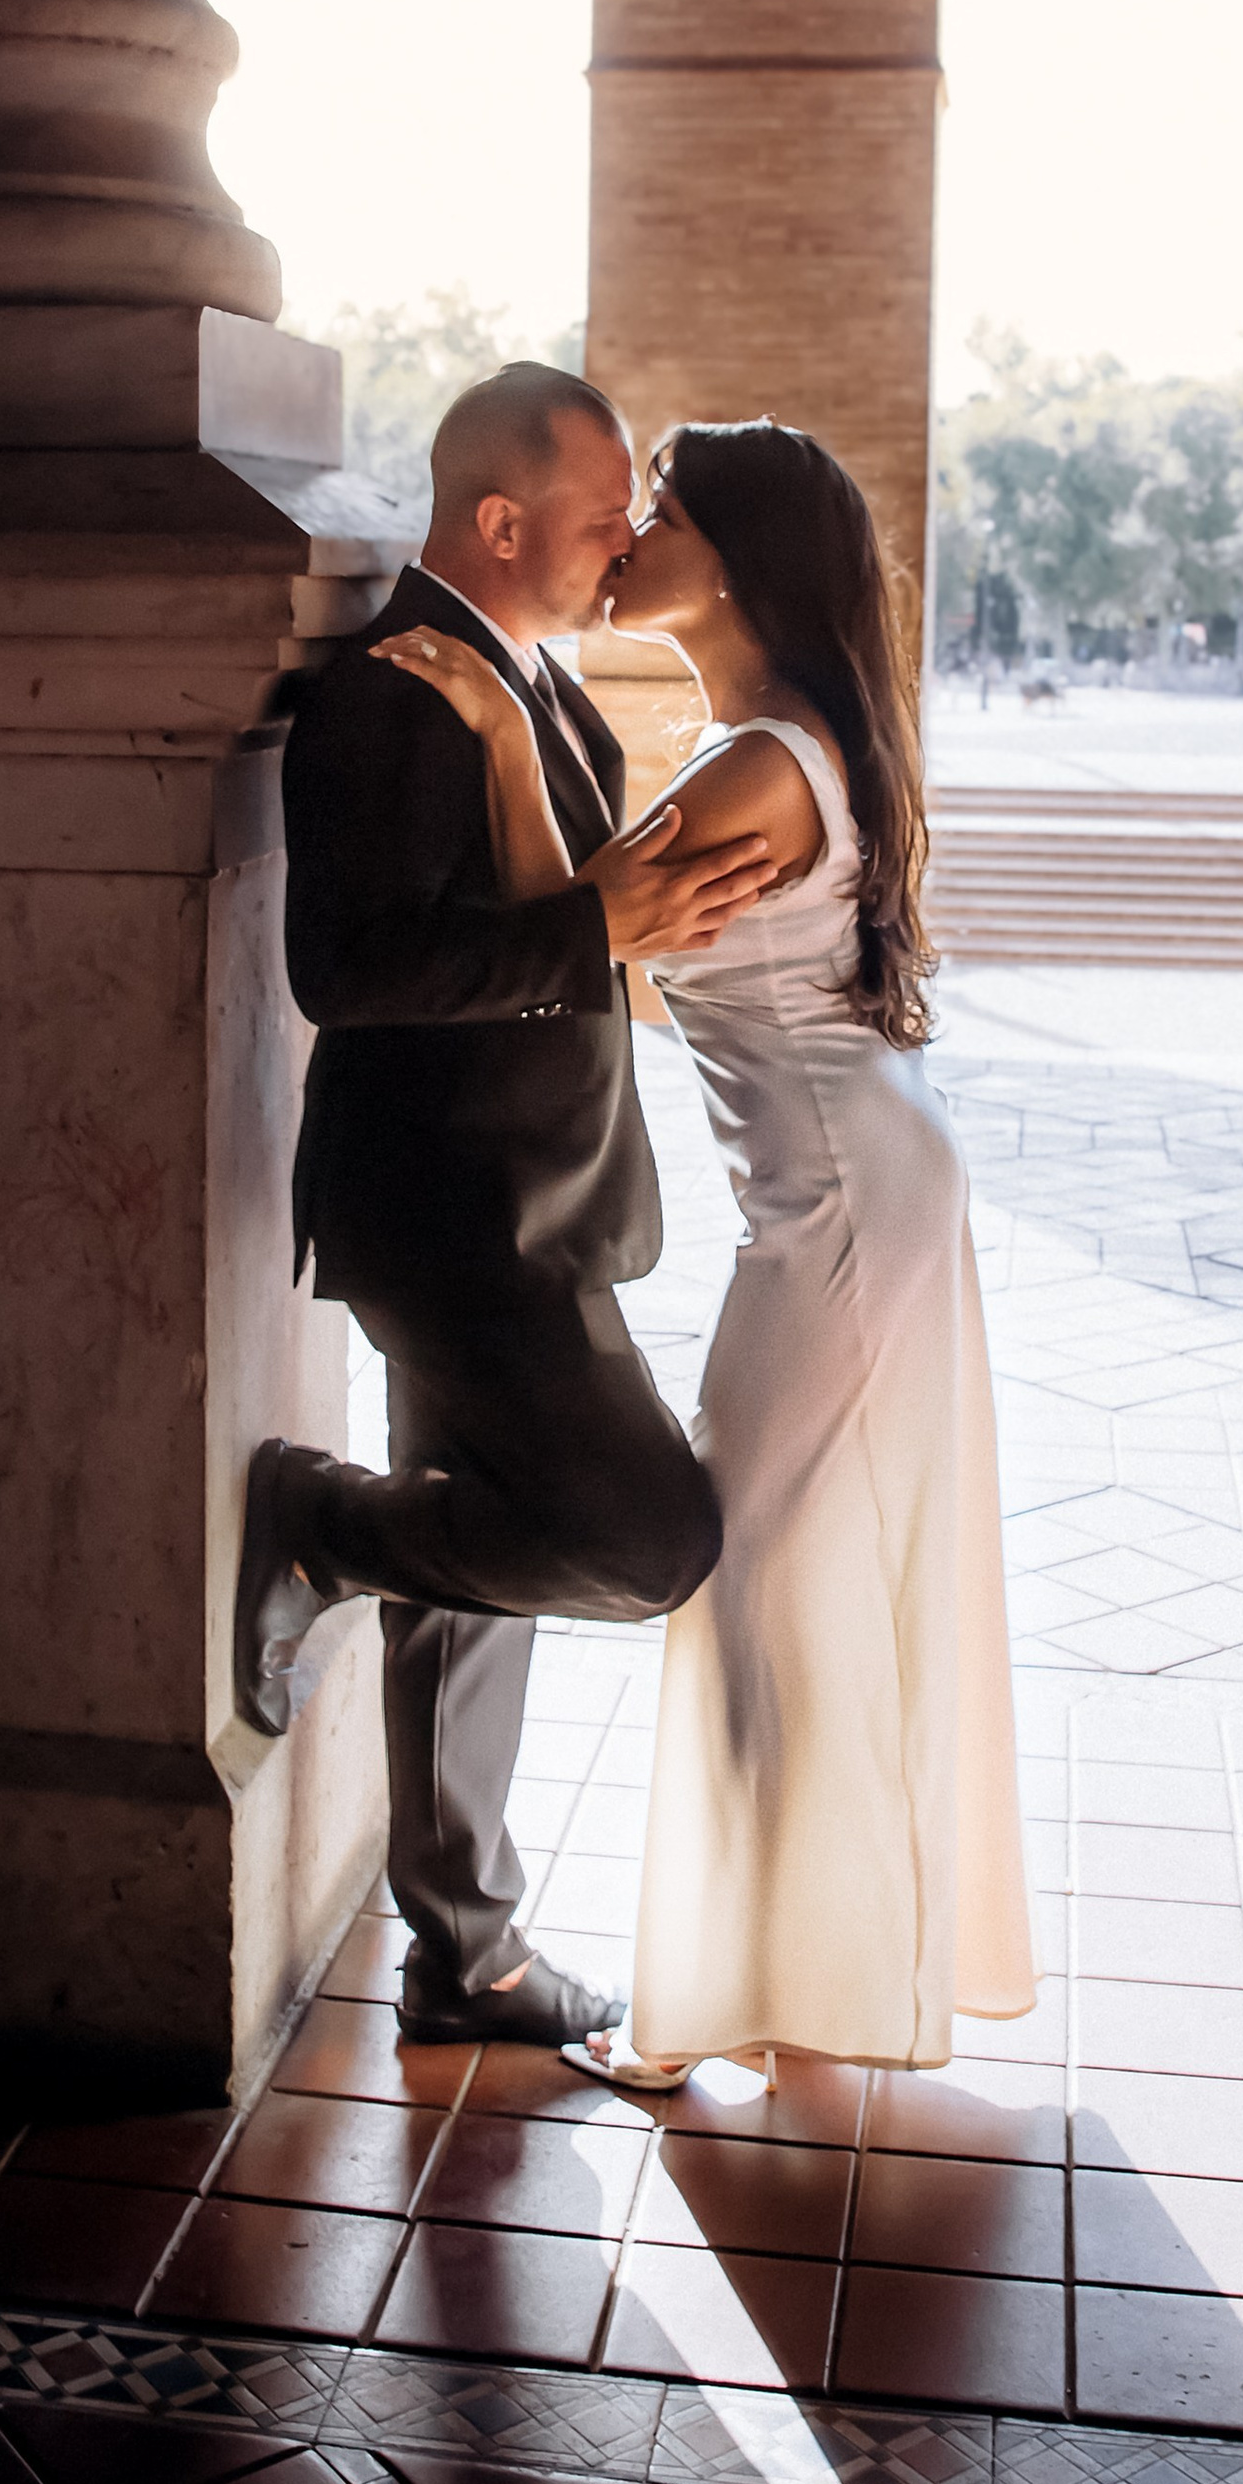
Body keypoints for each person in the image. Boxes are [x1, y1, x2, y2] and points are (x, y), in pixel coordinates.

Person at [380, 415, 1034, 2085]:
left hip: (836, 1214)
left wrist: (491, 713)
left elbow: (575, 926)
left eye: (661, 512)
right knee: (794, 1586)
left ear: (736, 561)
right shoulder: (773, 737)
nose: (630, 533)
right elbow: (604, 913)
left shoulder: (758, 766)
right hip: (849, 1186)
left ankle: (731, 2007)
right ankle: (802, 1983)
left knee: (754, 1587)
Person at [234, 363, 773, 2055]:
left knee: (475, 1591)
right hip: (460, 1218)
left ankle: (463, 1953)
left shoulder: (529, 675)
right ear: (500, 517)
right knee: (646, 1538)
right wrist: (596, 935)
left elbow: (588, 908)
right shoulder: (393, 696)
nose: (625, 534)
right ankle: (322, 1526)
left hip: (529, 1202)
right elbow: (351, 967)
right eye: (606, 506)